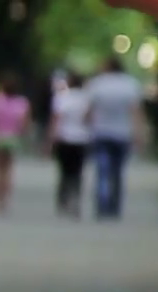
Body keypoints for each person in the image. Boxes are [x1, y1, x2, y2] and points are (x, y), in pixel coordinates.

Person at [85, 57, 143, 221]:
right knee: (117, 173)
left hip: (101, 133)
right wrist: (139, 134)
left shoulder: (97, 83)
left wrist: (86, 123)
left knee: (102, 171)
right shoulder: (131, 85)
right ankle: (115, 206)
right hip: (122, 135)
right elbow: (135, 112)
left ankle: (102, 205)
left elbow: (89, 110)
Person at [48, 71, 92, 218]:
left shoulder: (61, 97)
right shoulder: (86, 99)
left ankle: (63, 199)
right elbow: (89, 118)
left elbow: (56, 120)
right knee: (77, 172)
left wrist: (51, 139)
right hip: (81, 139)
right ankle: (75, 199)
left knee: (64, 171)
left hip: (64, 138)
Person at [0, 72, 32, 214]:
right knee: (8, 170)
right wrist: (24, 136)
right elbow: (24, 123)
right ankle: (5, 200)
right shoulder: (22, 102)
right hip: (13, 138)